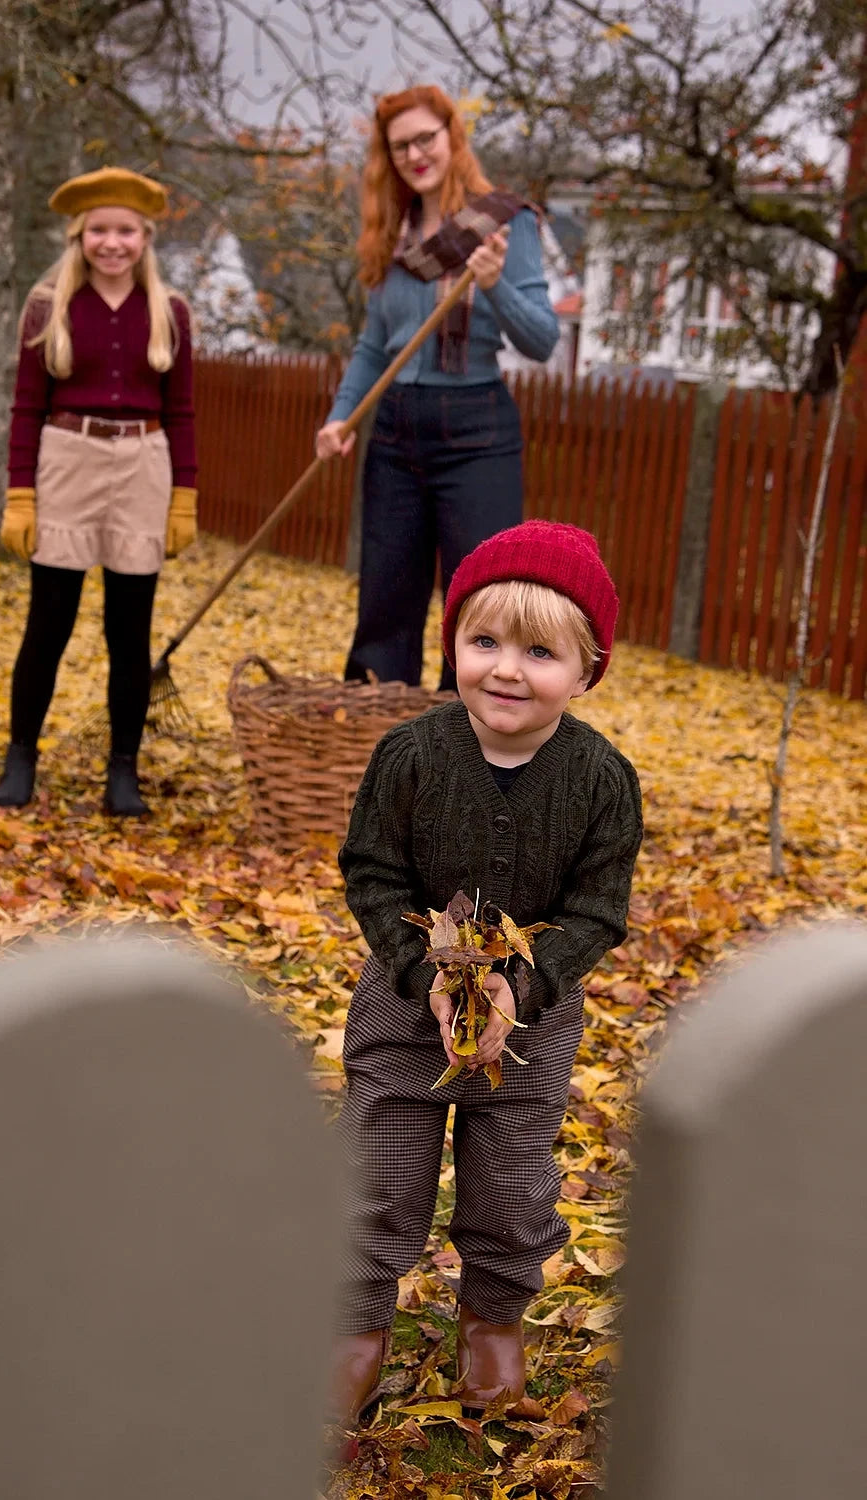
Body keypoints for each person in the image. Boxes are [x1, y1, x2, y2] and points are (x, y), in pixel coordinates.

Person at [330, 519, 643, 1428]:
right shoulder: (412, 757)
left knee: (511, 1184)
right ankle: (355, 1328)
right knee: (380, 1173)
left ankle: (491, 1319)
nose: (506, 669)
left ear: (586, 670)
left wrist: (528, 983)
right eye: (483, 641)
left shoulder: (599, 779)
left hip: (531, 1021)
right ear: (452, 646)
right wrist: (413, 962)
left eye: (539, 651)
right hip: (405, 1007)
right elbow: (373, 870)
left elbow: (597, 907)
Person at [315, 84, 560, 693]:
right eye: (400, 147)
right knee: (384, 605)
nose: (416, 153)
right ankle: (378, 759)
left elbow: (543, 340)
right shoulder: (391, 234)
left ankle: (467, 765)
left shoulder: (504, 223)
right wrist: (341, 417)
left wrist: (496, 284)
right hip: (395, 429)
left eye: (427, 137)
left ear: (452, 136)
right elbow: (376, 345)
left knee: (478, 609)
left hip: (477, 429)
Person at [0, 166, 197, 817]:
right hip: (66, 461)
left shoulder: (171, 313)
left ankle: (122, 771)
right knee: (47, 623)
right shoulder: (48, 307)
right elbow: (26, 407)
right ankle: (20, 757)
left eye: (126, 230)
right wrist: (20, 494)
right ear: (79, 236)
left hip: (143, 464)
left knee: (127, 632)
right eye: (99, 230)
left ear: (145, 237)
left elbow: (185, 411)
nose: (113, 243)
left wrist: (183, 495)